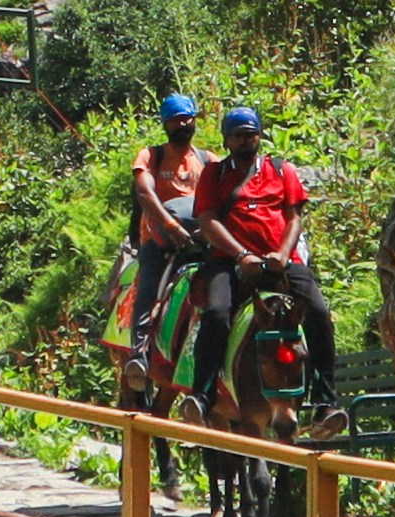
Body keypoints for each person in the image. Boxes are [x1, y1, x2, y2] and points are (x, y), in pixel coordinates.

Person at [180, 99, 335, 414]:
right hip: (230, 262)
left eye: (249, 134)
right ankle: (203, 394)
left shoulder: (281, 170)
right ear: (226, 140)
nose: (243, 140)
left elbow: (294, 217)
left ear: (259, 137)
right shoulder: (214, 174)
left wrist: (282, 253)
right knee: (217, 314)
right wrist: (240, 256)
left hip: (279, 261)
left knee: (318, 313)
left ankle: (325, 400)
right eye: (237, 135)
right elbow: (208, 220)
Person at [121, 91, 206, 392]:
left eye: (186, 118)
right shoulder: (151, 156)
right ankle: (140, 355)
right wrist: (169, 225)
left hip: (200, 239)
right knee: (149, 287)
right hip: (159, 239)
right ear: (165, 124)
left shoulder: (207, 160)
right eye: (175, 120)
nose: (182, 124)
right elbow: (145, 193)